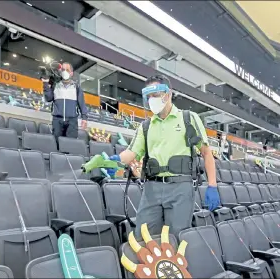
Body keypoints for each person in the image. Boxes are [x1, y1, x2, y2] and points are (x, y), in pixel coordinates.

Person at [109, 74, 220, 239]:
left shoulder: (188, 118)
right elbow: (131, 153)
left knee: (176, 239)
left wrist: (213, 185)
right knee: (144, 238)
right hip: (151, 189)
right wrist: (116, 161)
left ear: (168, 94)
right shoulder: (145, 126)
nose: (152, 100)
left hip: (180, 189)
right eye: (149, 97)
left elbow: (206, 153)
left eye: (156, 95)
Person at [42, 62, 88, 142]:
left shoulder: (76, 87)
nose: (65, 71)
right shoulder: (55, 85)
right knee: (56, 144)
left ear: (71, 73)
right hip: (57, 120)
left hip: (72, 121)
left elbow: (82, 103)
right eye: (63, 69)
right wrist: (45, 83)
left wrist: (84, 118)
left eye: (67, 70)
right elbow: (48, 98)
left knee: (70, 144)